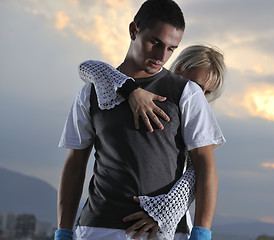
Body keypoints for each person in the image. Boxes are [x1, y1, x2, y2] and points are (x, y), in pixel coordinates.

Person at [56, 1, 225, 240]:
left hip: (161, 233)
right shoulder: (91, 94)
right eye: (155, 42)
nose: (161, 56)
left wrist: (201, 232)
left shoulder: (186, 93)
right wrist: (63, 230)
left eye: (170, 49)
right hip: (97, 228)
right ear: (134, 30)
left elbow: (205, 167)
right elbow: (75, 165)